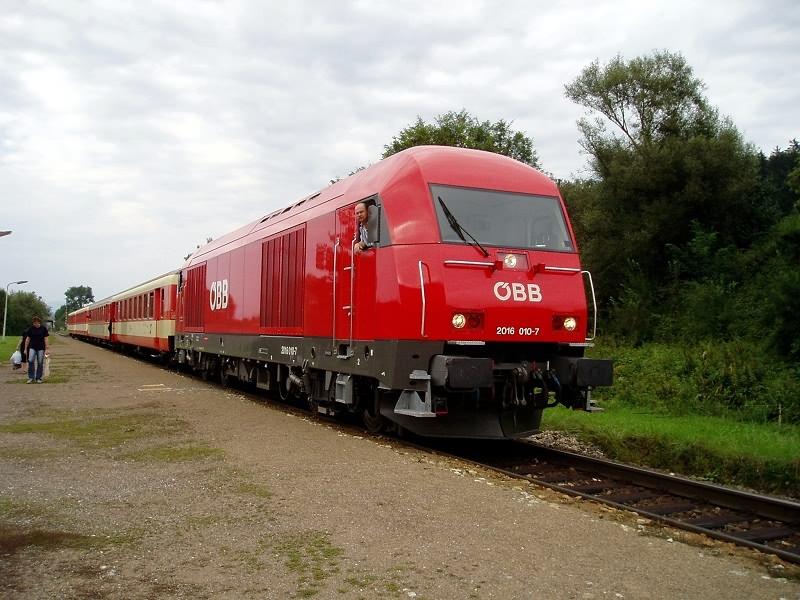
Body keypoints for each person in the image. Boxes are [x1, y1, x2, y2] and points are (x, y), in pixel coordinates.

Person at [23, 315, 49, 384]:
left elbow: (46, 339)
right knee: (31, 360)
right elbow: (27, 339)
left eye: (37, 323)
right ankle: (31, 377)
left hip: (41, 348)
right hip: (32, 347)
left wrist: (47, 348)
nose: (35, 324)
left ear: (39, 322)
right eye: (34, 323)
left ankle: (38, 378)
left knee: (40, 362)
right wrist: (25, 349)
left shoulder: (43, 329)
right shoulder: (31, 329)